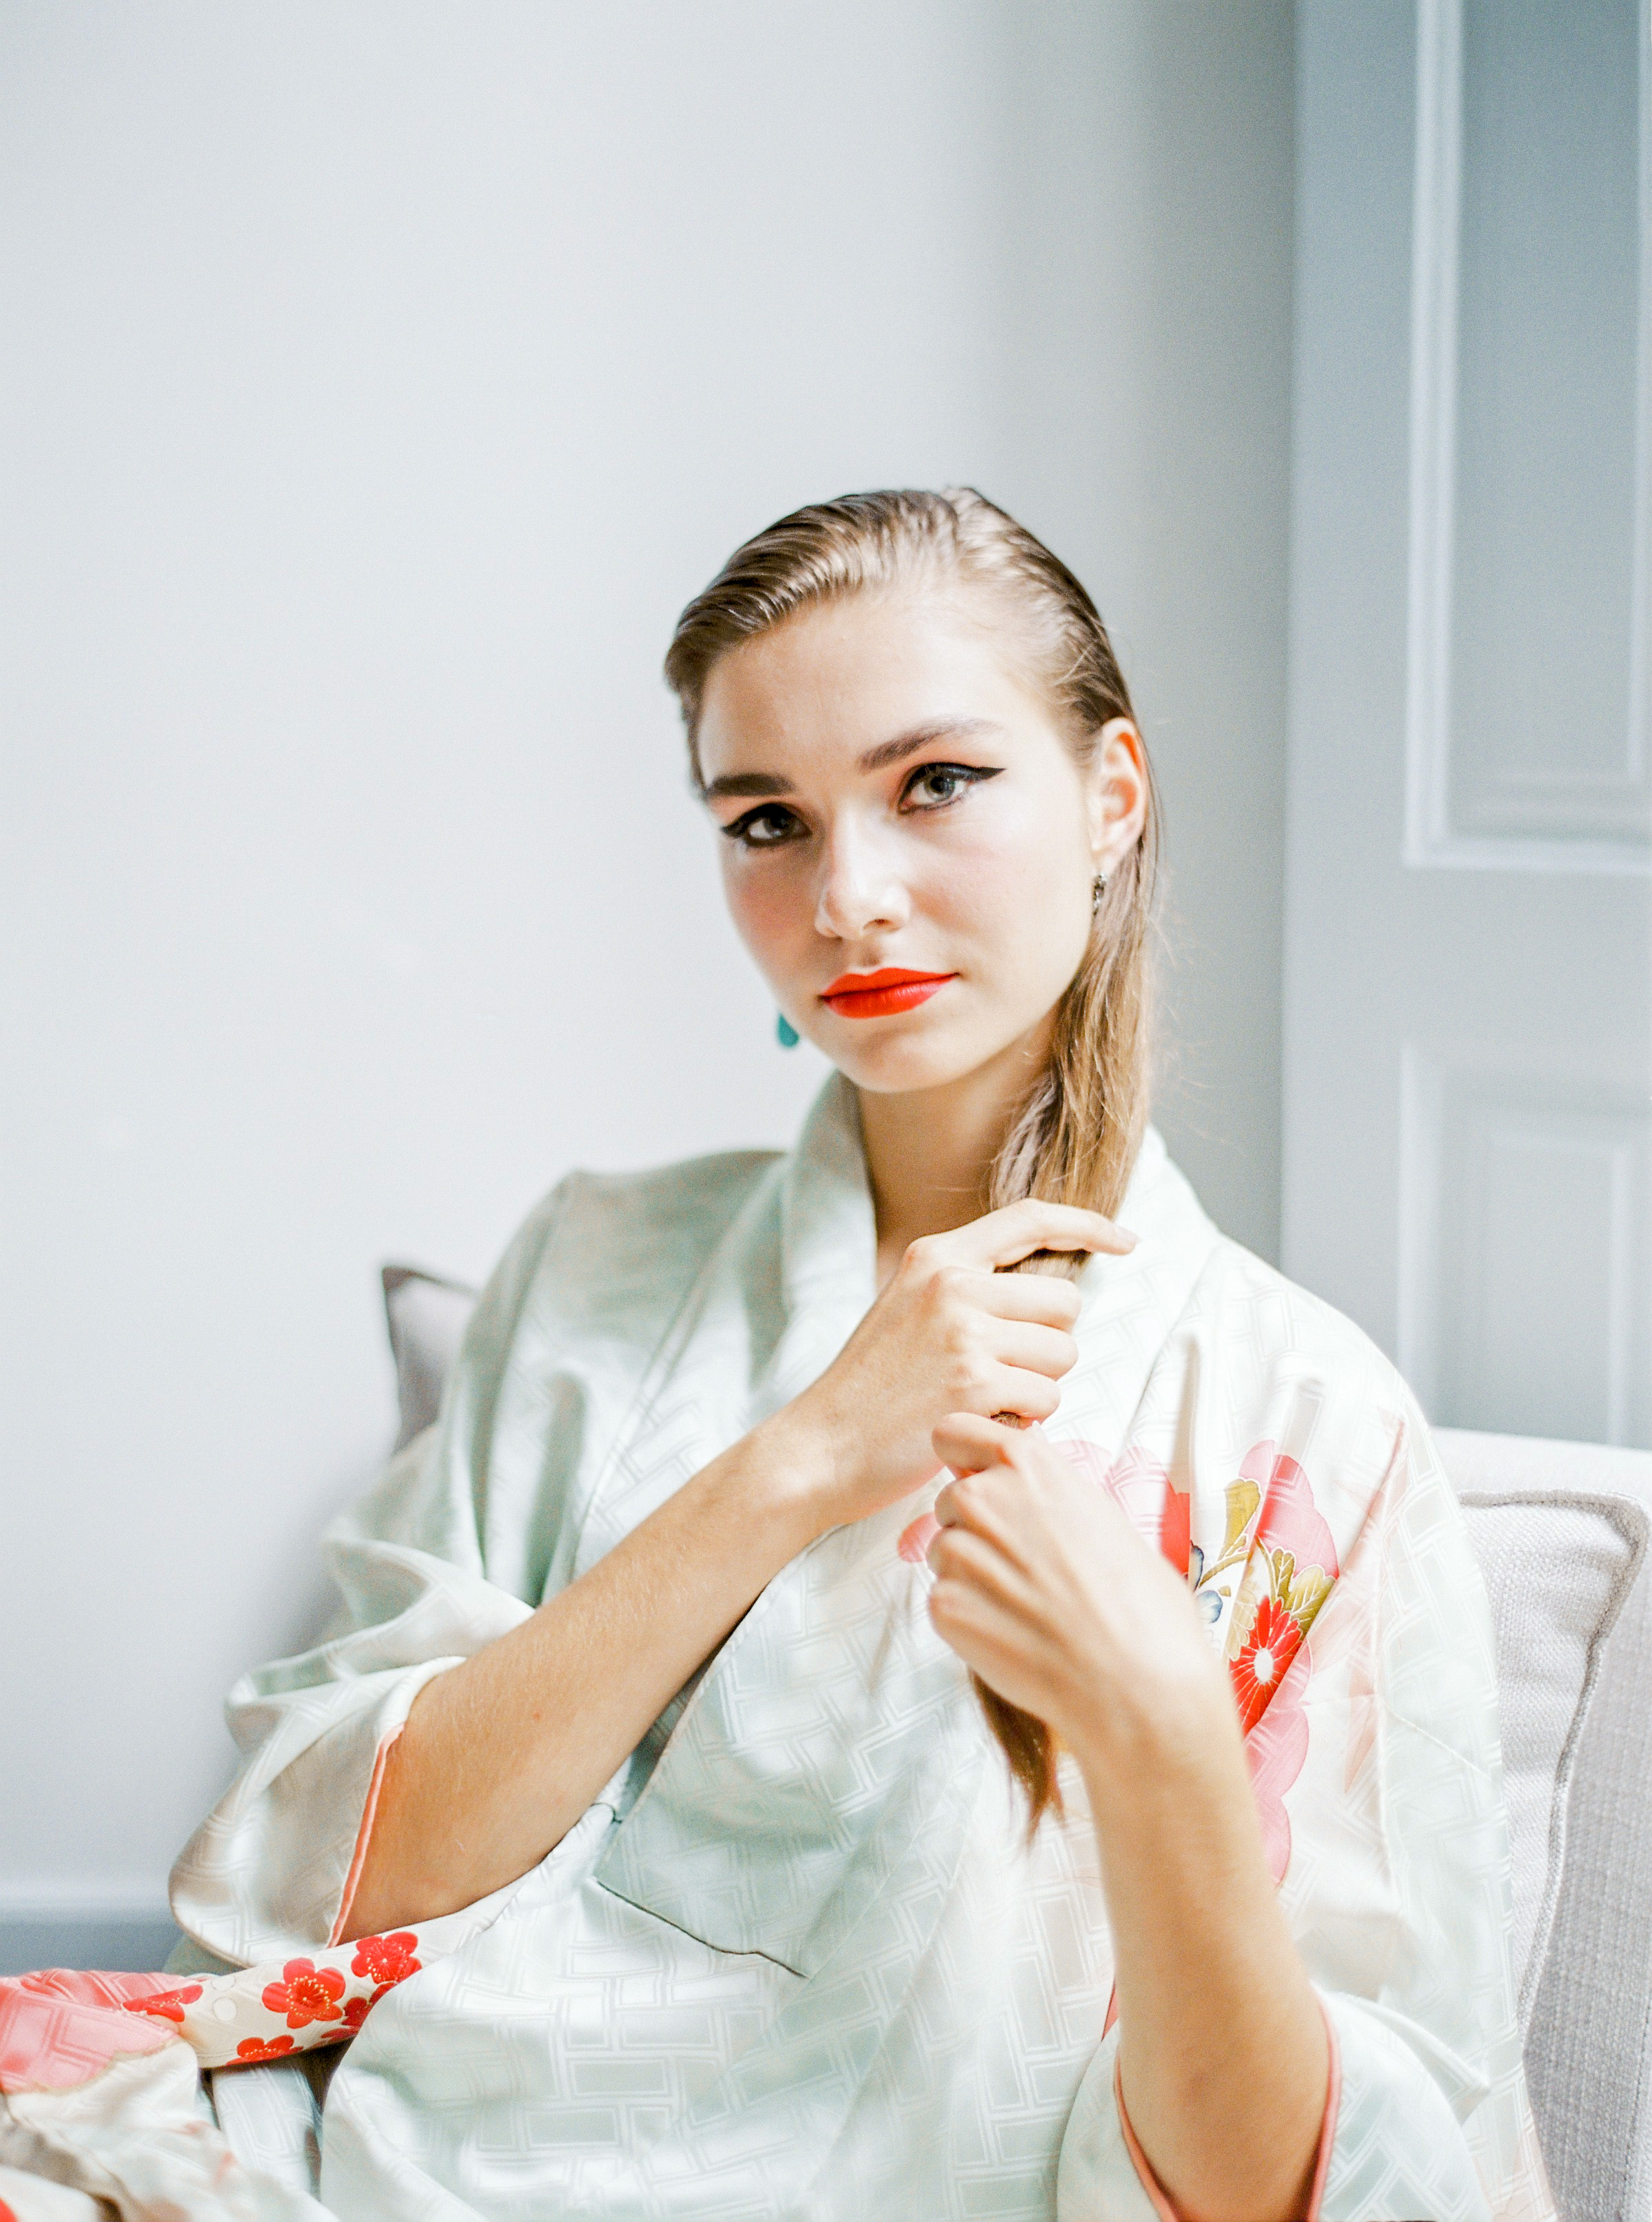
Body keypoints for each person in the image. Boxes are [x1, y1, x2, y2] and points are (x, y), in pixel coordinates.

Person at [50, 491, 1551, 2221]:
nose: (846, 897)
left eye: (935, 783)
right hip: (387, 2154)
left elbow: (1317, 2188)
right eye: (767, 820)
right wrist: (803, 1458)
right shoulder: (593, 1264)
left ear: (1110, 796)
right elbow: (328, 1875)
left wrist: (1159, 1743)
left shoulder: (1310, 1426)